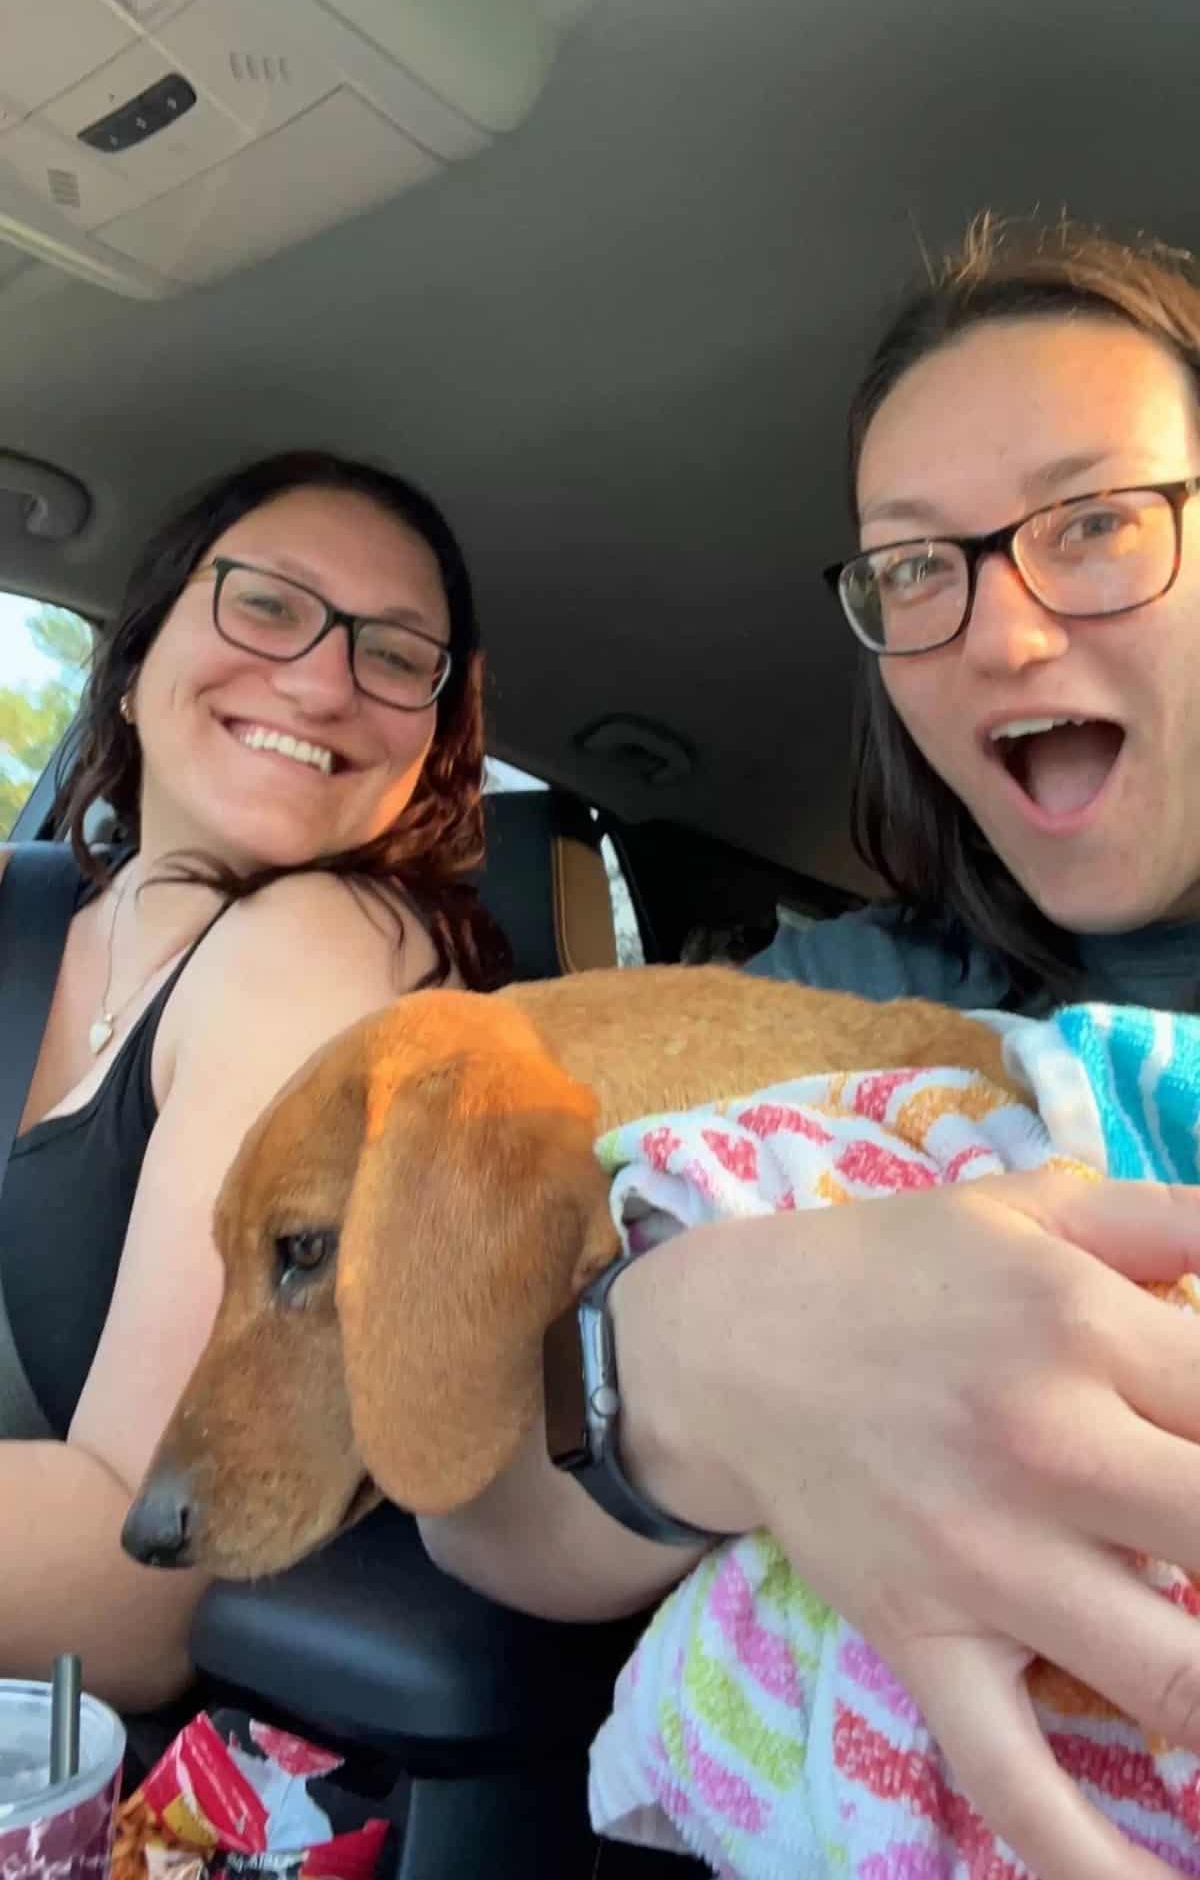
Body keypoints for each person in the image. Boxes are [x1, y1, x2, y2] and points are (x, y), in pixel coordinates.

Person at [422, 217, 1200, 1880]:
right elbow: (466, 1484)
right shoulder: (833, 1005)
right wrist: (695, 1352)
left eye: (1098, 521)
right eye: (918, 563)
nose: (999, 632)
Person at [0, 447, 503, 1713]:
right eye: (267, 603)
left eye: (393, 654)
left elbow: (140, 1569)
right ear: (132, 665)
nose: (325, 679)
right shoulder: (30, 914)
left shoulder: (330, 942)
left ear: (429, 748)